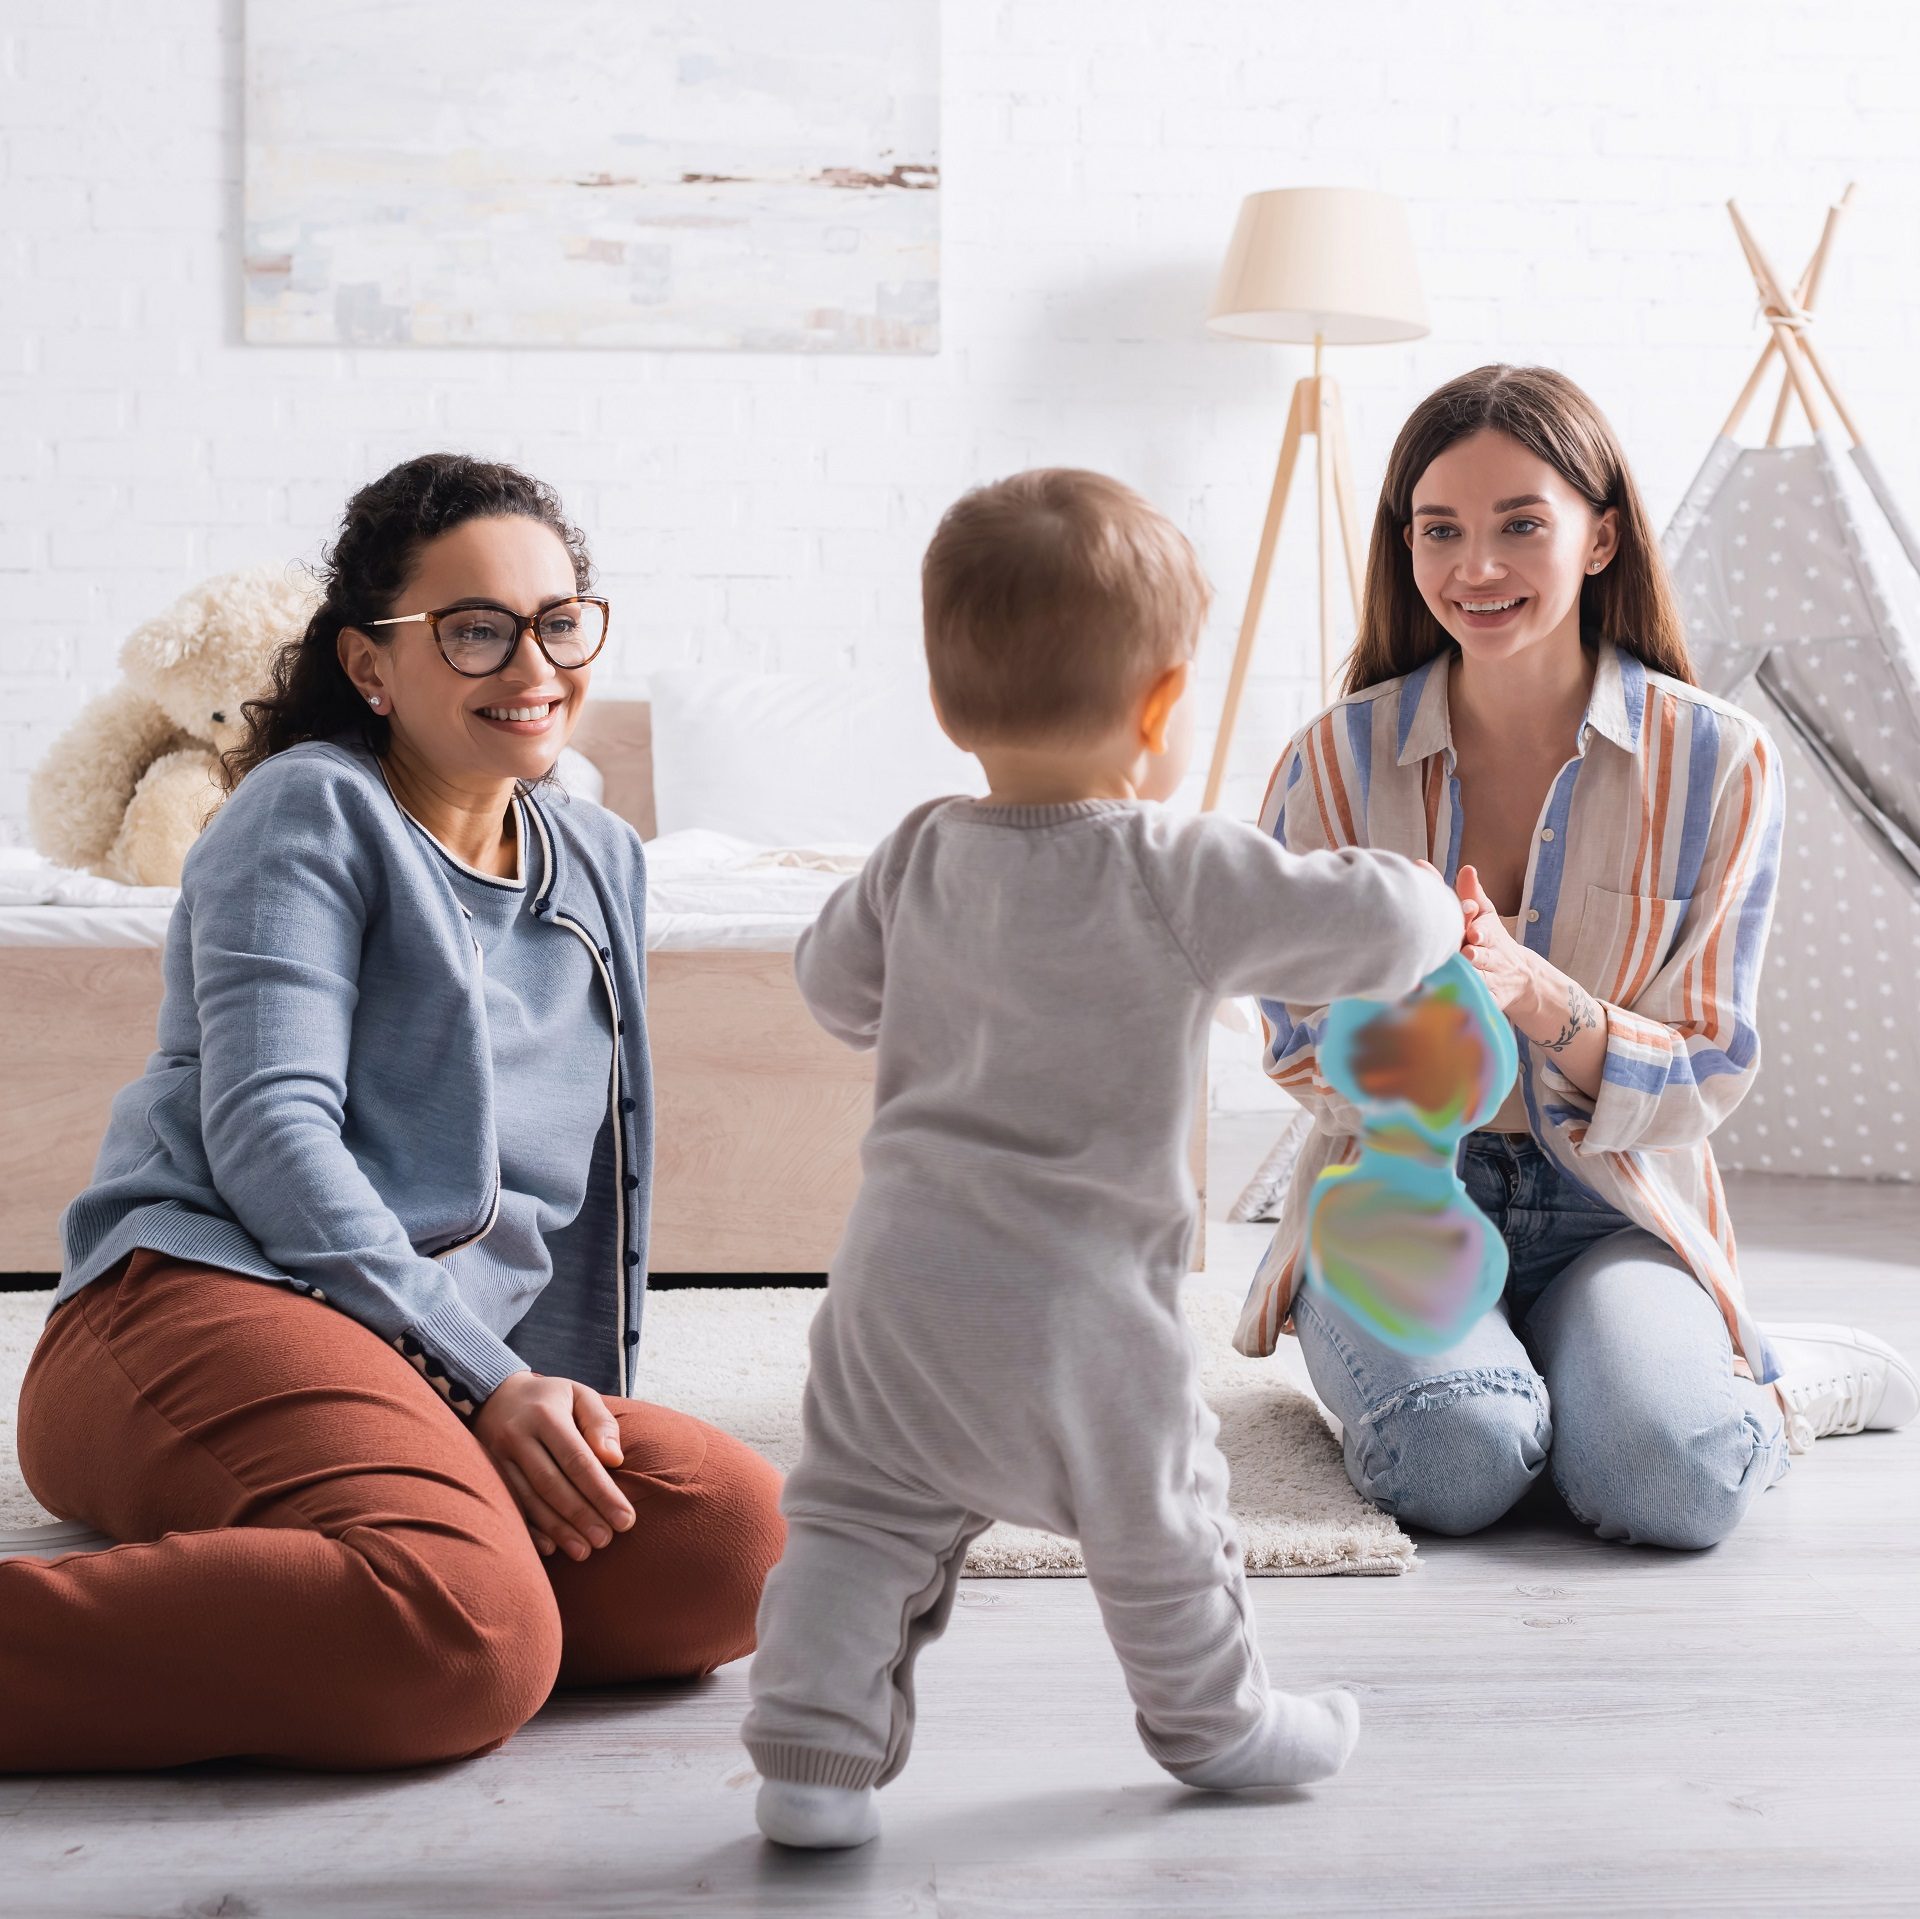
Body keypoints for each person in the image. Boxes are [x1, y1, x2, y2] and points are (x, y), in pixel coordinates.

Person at [1, 454, 785, 1774]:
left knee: (724, 1541)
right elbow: (271, 1139)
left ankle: (330, 1571)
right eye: (475, 628)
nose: (532, 662)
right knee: (469, 1637)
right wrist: (482, 1384)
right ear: (373, 665)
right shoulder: (307, 809)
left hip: (404, 1355)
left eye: (559, 619)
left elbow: (599, 1179)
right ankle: (383, 1586)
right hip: (192, 1295)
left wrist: (552, 1403)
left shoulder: (596, 857)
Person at [740, 468, 1466, 1850]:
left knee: (854, 1515)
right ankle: (1217, 1722)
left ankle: (812, 1757)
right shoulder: (1176, 866)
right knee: (1162, 1516)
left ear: (951, 708)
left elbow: (831, 985)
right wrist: (1433, 898)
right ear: (1160, 706)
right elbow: (1371, 925)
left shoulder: (915, 856)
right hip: (1086, 1306)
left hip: (897, 1286)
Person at [1236, 365, 1917, 1550]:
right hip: (1404, 1193)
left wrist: (1543, 1001)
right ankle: (1515, 1389)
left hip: (1619, 1205)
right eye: (1439, 530)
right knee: (1456, 1460)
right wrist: (1423, 1039)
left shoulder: (1721, 761)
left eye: (1520, 526)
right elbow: (1294, 1040)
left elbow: (1713, 1064)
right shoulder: (1335, 763)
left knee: (1672, 1481)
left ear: (1600, 538)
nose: (1475, 567)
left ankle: (1767, 1384)